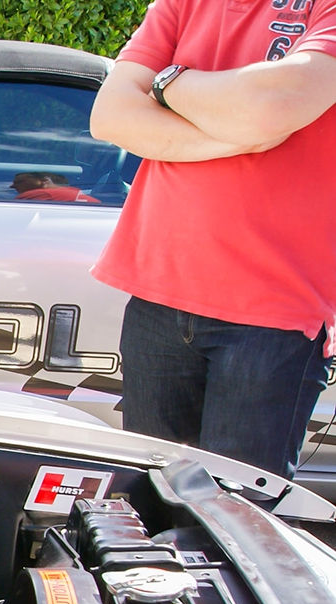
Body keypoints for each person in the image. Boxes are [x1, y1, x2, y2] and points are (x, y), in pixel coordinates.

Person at [89, 0, 336, 480]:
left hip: (273, 314)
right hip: (159, 295)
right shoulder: (183, 2)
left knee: (238, 516)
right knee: (150, 503)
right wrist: (238, 138)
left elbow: (272, 106)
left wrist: (166, 82)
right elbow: (111, 116)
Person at [10, 171, 101, 203]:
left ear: (45, 181)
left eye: (20, 182)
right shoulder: (72, 192)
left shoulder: (42, 194)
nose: (13, 186)